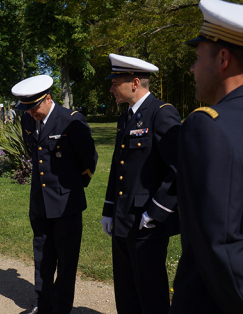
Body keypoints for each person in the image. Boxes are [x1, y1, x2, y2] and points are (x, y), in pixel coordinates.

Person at [170, 0, 243, 313]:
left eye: (198, 58)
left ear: (222, 58)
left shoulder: (207, 126)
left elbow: (221, 245)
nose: (192, 69)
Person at [101, 54, 181, 314]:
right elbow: (118, 166)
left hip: (147, 222)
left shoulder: (161, 113)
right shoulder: (125, 118)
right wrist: (108, 209)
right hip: (123, 217)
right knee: (126, 292)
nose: (111, 88)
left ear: (134, 83)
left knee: (151, 294)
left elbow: (178, 169)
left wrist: (156, 212)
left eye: (116, 82)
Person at [12, 75, 98, 314]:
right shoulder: (28, 120)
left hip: (66, 202)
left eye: (34, 107)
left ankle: (61, 307)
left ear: (48, 98)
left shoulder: (70, 121)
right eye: (26, 109)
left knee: (66, 259)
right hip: (40, 203)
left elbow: (89, 160)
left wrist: (69, 187)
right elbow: (35, 155)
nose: (30, 113)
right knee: (42, 256)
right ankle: (42, 302)